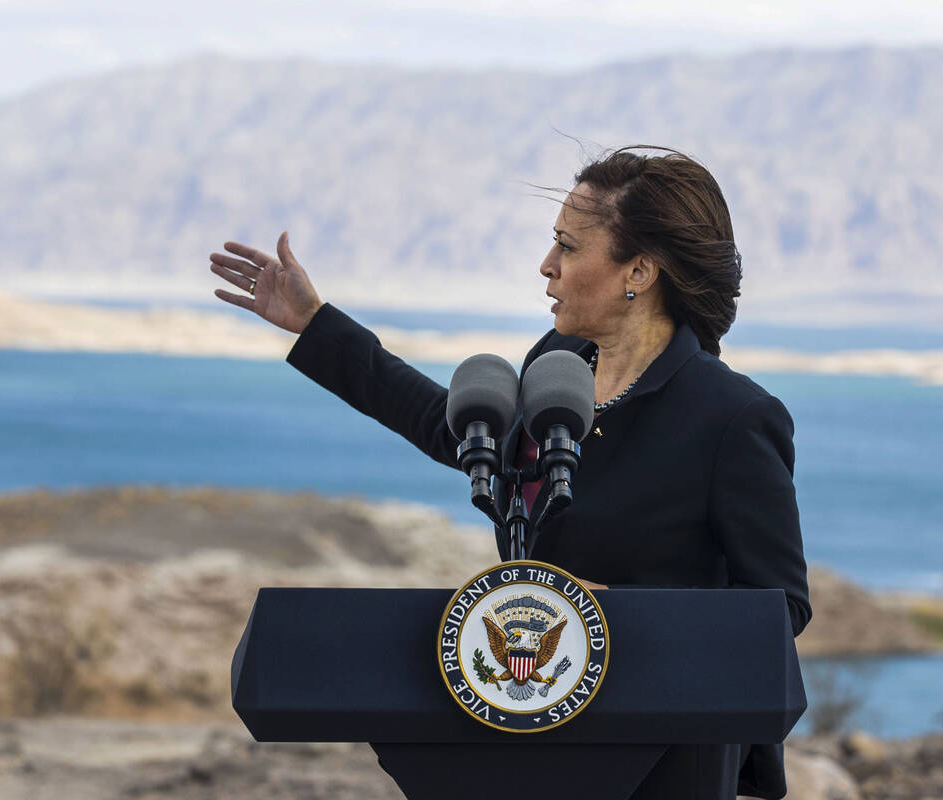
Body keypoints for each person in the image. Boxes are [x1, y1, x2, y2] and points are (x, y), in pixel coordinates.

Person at [210, 146, 811, 800]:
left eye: (568, 247)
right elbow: (462, 433)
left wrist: (614, 614)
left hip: (665, 761)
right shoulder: (559, 367)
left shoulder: (733, 417)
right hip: (526, 735)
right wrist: (316, 325)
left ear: (637, 270)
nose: (546, 266)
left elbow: (777, 612)